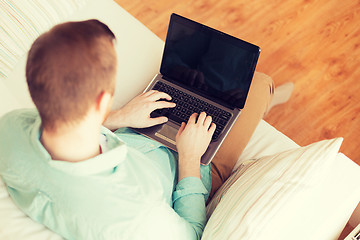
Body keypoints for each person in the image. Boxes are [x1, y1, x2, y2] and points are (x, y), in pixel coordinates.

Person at [0, 20, 292, 239]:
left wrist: (119, 116)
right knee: (254, 84)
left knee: (192, 76)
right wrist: (190, 158)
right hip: (188, 166)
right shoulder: (138, 217)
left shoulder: (10, 129)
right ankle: (268, 97)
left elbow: (62, 123)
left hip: (135, 131)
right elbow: (191, 233)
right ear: (102, 100)